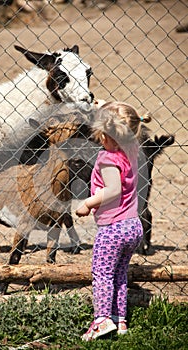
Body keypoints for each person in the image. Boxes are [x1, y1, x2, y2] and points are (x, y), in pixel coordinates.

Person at [76, 101, 152, 341]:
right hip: (132, 226)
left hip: (113, 229)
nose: (99, 139)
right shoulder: (132, 150)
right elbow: (124, 117)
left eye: (101, 135)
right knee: (119, 274)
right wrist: (102, 106)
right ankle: (120, 320)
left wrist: (89, 202)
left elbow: (113, 191)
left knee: (102, 274)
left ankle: (101, 321)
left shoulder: (108, 159)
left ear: (107, 135)